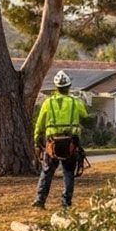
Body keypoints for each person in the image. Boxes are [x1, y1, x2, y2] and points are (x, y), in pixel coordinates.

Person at [32, 70, 89, 210]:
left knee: (46, 171)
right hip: (71, 143)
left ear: (56, 87)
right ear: (68, 86)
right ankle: (66, 203)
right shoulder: (75, 102)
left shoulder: (47, 103)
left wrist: (36, 140)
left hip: (52, 143)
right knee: (68, 173)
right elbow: (85, 115)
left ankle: (40, 200)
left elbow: (39, 123)